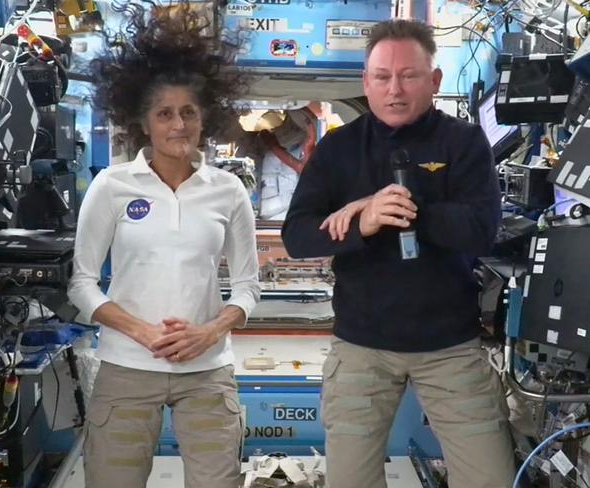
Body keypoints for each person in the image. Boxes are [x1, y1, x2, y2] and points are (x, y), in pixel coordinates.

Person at [282, 19, 515, 488]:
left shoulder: (464, 142)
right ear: (366, 83)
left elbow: (482, 230)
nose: (395, 89)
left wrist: (411, 211)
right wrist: (363, 224)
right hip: (362, 348)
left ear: (434, 81)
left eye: (409, 75)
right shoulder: (337, 149)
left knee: (490, 478)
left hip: (451, 347)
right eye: (382, 77)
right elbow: (298, 237)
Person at [67, 3, 259, 487]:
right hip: (127, 367)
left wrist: (209, 332)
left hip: (208, 370)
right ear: (144, 122)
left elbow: (247, 289)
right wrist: (143, 332)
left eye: (189, 112)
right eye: (165, 113)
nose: (179, 125)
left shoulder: (227, 190)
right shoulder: (112, 186)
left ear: (204, 118)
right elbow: (82, 285)